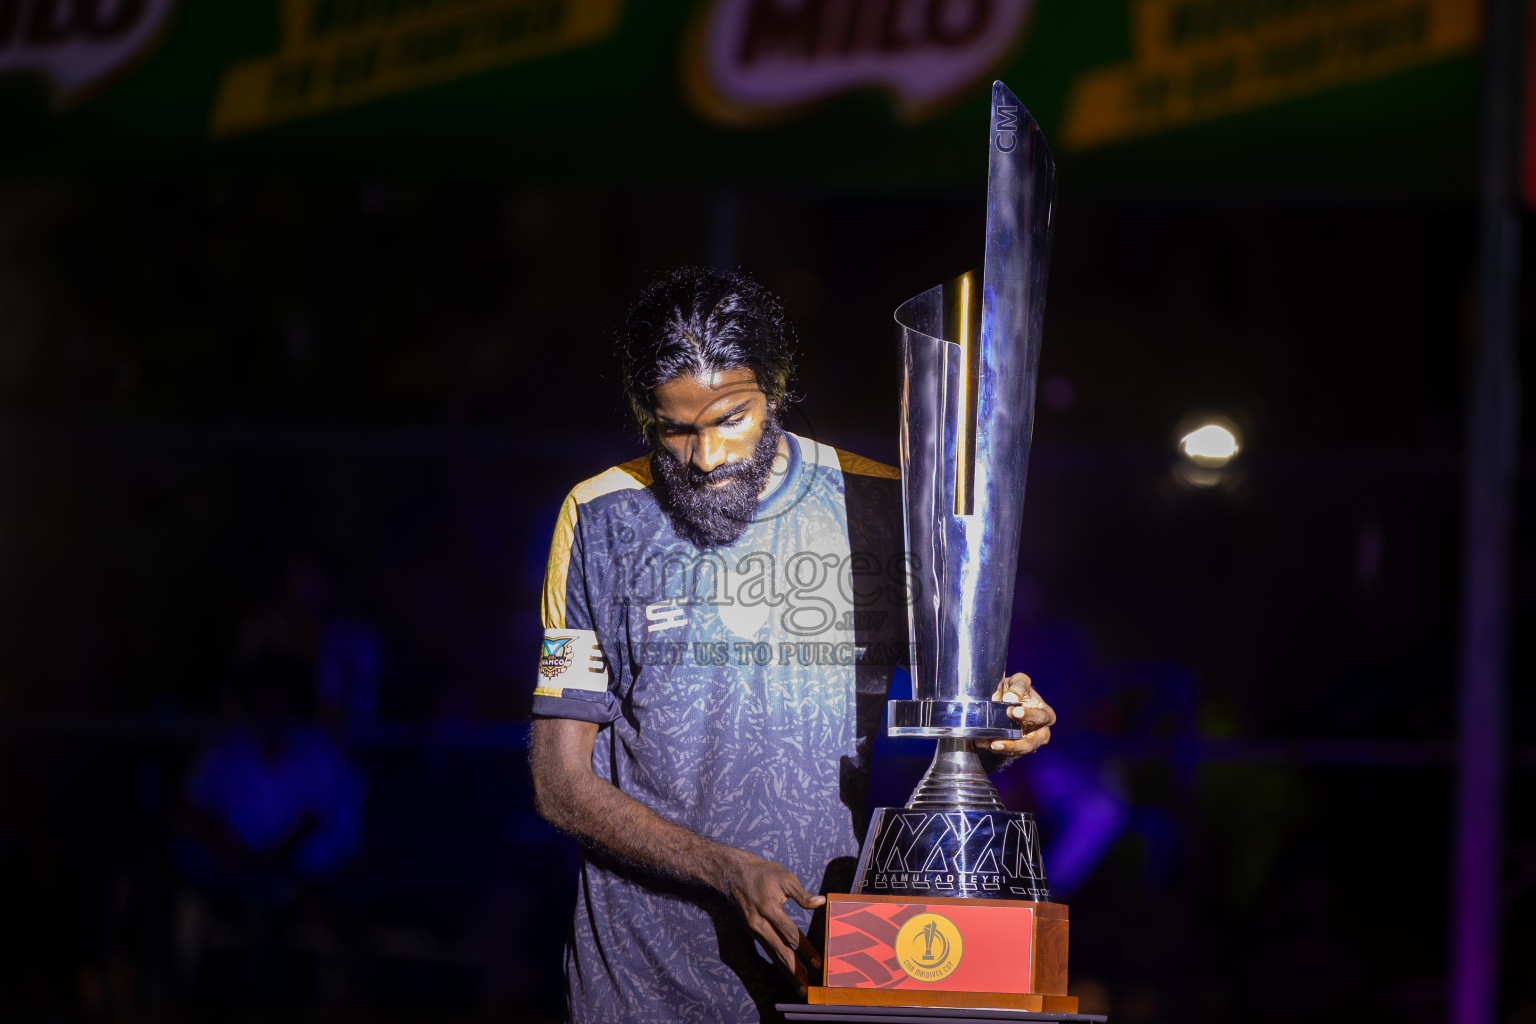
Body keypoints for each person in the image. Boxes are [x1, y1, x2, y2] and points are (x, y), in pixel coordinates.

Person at [528, 267, 1056, 1023]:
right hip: (639, 982)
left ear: (775, 388)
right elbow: (559, 784)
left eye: (730, 419)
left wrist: (1010, 713)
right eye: (675, 428)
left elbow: (969, 692)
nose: (704, 457)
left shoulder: (880, 506)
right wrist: (723, 869)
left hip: (828, 968)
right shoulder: (602, 517)